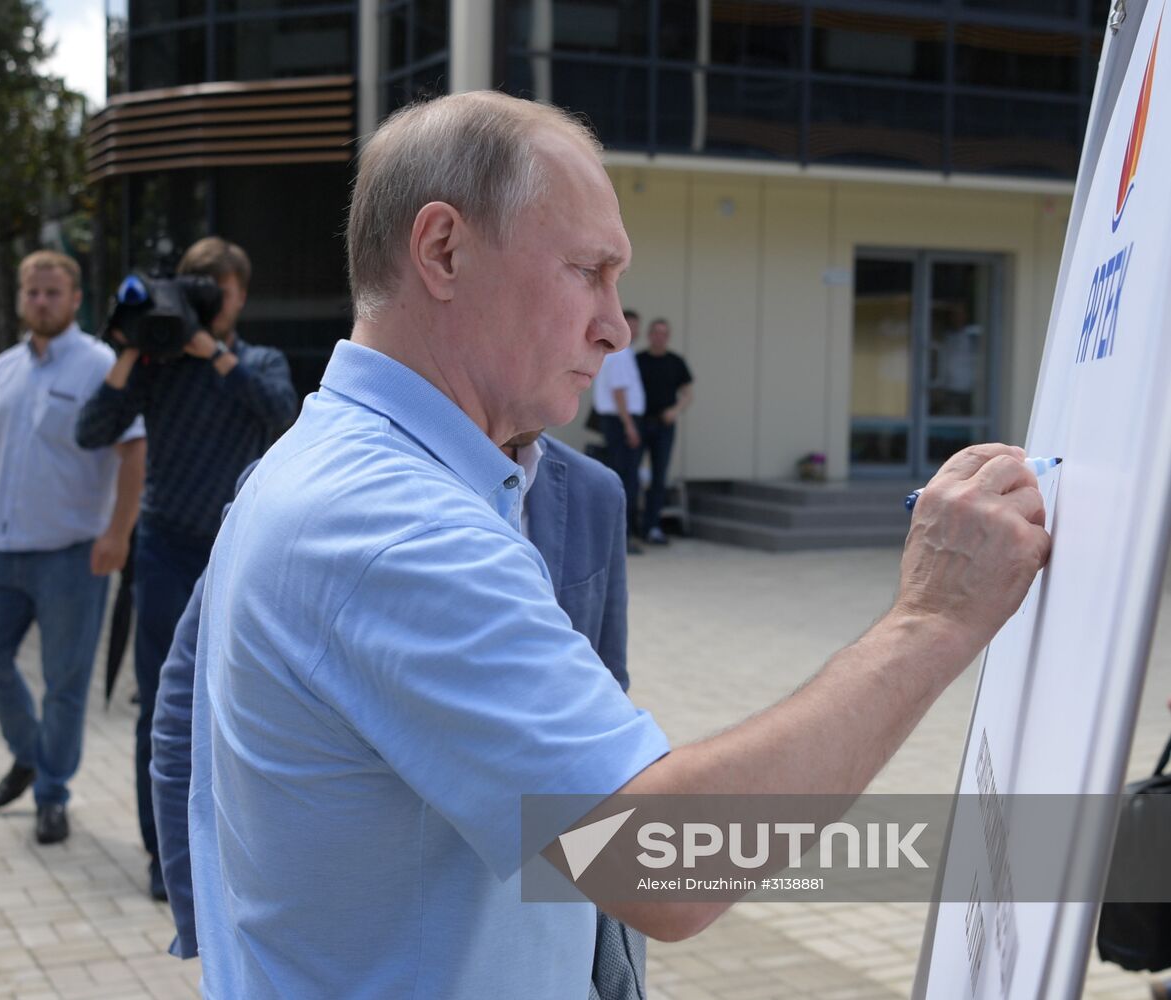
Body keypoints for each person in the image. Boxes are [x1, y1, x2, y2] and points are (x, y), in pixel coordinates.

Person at [187, 91, 1050, 998]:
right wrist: (931, 618)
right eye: (588, 271)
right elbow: (660, 862)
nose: (615, 325)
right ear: (442, 250)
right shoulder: (389, 525)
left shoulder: (335, 468)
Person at [152, 431, 639, 989]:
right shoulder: (378, 515)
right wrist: (205, 921)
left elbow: (603, 709)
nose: (614, 338)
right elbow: (667, 869)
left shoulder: (590, 491)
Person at [74, 236, 297, 899]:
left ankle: (243, 842)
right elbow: (90, 430)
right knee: (161, 707)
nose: (203, 302)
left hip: (241, 548)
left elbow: (281, 414)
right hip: (166, 548)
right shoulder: (154, 366)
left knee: (248, 701)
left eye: (215, 290)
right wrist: (129, 350)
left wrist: (213, 353)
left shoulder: (257, 359)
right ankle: (162, 853)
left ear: (240, 294)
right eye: (194, 288)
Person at [0, 250, 146, 845]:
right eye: (32, 292)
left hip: (73, 553)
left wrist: (118, 532)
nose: (40, 301)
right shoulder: (3, 369)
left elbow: (134, 451)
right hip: (1, 551)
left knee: (65, 683)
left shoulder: (99, 366)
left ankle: (51, 794)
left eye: (52, 292)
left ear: (74, 300)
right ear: (21, 299)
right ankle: (30, 752)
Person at [592, 309, 646, 553]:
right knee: (626, 479)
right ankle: (622, 538)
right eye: (630, 325)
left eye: (636, 326)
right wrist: (629, 426)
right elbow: (619, 392)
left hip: (616, 421)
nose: (634, 331)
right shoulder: (621, 353)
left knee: (622, 476)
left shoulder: (615, 353)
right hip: (621, 421)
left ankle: (619, 537)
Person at [636, 317, 693, 544]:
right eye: (656, 332)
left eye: (663, 333)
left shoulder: (676, 362)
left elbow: (688, 393)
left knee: (659, 477)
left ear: (667, 337)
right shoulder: (638, 360)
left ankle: (653, 527)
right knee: (631, 475)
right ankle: (631, 527)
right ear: (649, 335)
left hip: (664, 426)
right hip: (640, 423)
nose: (659, 337)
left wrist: (676, 410)